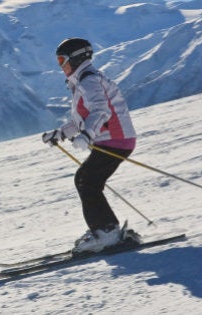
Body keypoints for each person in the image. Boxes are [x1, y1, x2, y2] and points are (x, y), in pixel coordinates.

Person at [42, 38, 139, 255]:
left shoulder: (88, 81)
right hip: (112, 139)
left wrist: (87, 134)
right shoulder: (82, 81)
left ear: (75, 59)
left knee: (86, 181)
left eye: (62, 60)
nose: (60, 66)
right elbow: (80, 120)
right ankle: (106, 230)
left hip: (115, 139)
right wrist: (60, 134)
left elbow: (101, 110)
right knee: (87, 181)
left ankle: (106, 233)